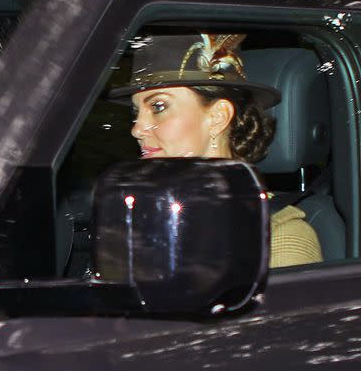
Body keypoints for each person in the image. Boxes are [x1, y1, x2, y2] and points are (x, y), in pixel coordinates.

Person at [110, 33, 322, 268]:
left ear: (218, 117)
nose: (137, 129)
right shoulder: (147, 218)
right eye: (135, 113)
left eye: (158, 106)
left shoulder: (280, 237)